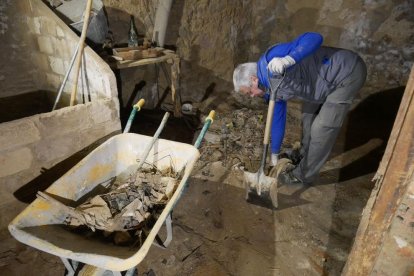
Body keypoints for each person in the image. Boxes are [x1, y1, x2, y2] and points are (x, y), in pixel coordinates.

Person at [233, 32, 367, 185]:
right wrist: (275, 153)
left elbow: (314, 37)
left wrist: (289, 59)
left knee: (322, 127)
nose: (251, 96)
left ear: (253, 80)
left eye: (249, 92)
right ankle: (304, 153)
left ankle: (303, 175)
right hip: (318, 84)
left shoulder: (273, 58)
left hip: (346, 73)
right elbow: (277, 118)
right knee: (307, 117)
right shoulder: (269, 89)